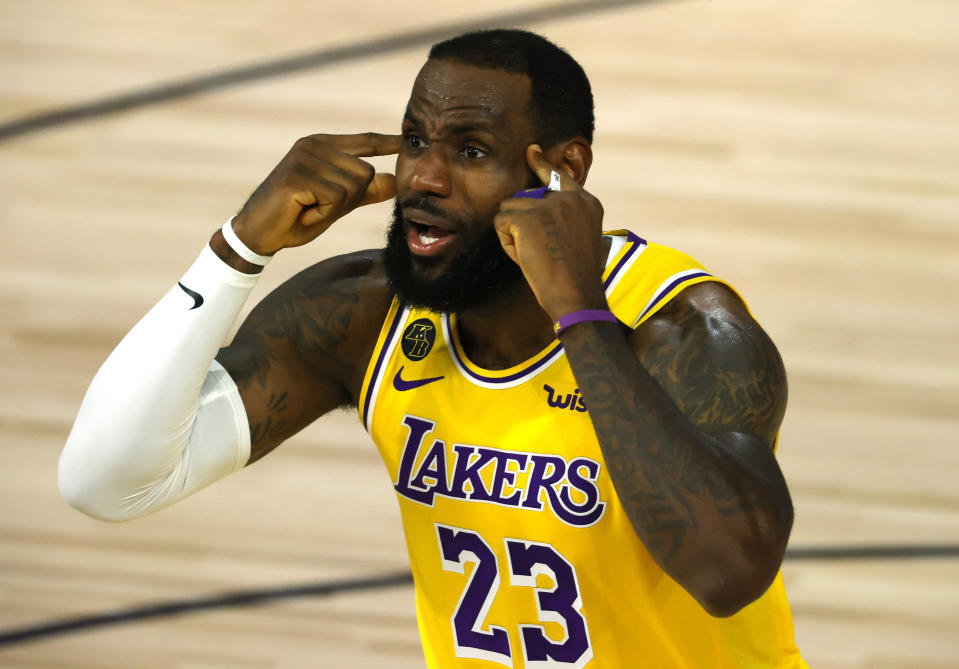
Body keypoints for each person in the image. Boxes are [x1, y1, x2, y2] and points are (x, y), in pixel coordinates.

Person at [60, 29, 807, 668]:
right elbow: (107, 481)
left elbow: (727, 568)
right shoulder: (364, 314)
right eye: (415, 140)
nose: (423, 177)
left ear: (562, 171)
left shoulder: (683, 329)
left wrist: (577, 313)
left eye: (471, 150)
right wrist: (233, 253)